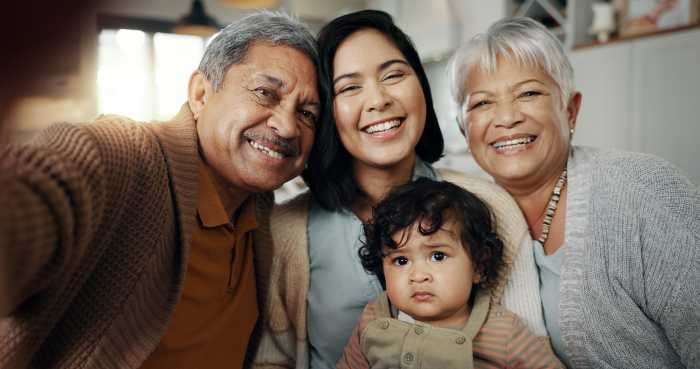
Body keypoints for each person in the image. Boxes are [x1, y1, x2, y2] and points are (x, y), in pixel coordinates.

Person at [0, 11, 320, 369]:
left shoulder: (262, 214)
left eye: (308, 113)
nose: (288, 126)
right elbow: (33, 200)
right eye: (266, 93)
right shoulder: (124, 155)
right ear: (200, 94)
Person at [250, 10, 548, 369]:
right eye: (350, 87)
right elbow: (271, 360)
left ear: (421, 86)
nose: (378, 100)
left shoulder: (491, 207)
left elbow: (529, 346)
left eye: (393, 75)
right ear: (327, 110)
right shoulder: (286, 229)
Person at [447, 16, 699, 368]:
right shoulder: (463, 218)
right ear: (464, 130)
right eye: (482, 103)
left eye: (529, 93)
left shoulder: (642, 191)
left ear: (570, 110)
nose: (506, 118)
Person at [337, 178, 564, 369]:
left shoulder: (503, 333)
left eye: (438, 256)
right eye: (401, 260)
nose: (418, 276)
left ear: (479, 266)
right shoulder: (375, 317)